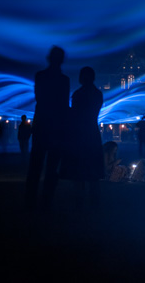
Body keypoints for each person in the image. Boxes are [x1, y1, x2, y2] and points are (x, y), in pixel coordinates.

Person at [25, 46, 70, 211]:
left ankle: (30, 201)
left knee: (36, 164)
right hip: (56, 127)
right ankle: (46, 201)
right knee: (52, 167)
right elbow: (64, 105)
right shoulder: (64, 80)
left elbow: (40, 99)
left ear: (48, 58)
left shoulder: (40, 76)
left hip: (42, 124)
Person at [60, 67, 104, 208]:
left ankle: (78, 202)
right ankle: (94, 202)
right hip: (92, 132)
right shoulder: (98, 93)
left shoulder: (78, 94)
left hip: (79, 134)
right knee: (93, 172)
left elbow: (74, 115)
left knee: (79, 170)